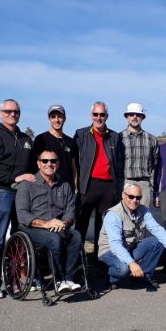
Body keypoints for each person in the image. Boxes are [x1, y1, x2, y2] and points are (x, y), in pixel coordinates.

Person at [0, 99, 35, 299]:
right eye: (8, 111)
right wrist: (15, 177)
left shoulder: (25, 138)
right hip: (2, 193)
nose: (12, 114)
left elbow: (32, 168)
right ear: (0, 113)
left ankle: (19, 279)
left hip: (23, 195)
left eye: (16, 111)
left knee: (21, 236)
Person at [15, 150, 82, 292]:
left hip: (58, 227)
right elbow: (22, 214)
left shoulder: (64, 185)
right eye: (45, 161)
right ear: (39, 164)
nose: (49, 164)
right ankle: (58, 279)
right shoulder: (27, 184)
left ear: (58, 164)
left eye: (53, 161)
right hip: (33, 228)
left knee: (76, 236)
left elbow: (70, 209)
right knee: (53, 239)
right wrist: (46, 224)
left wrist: (64, 223)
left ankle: (69, 279)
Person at [98, 183, 166, 291]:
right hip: (109, 252)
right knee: (123, 269)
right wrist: (131, 263)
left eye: (138, 197)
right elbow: (115, 245)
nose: (134, 200)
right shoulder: (113, 214)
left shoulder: (143, 210)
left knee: (158, 241)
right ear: (123, 195)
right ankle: (109, 276)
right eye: (131, 196)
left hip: (129, 248)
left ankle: (142, 277)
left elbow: (156, 228)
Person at [73, 101, 124, 257]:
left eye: (102, 115)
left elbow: (120, 164)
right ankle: (77, 258)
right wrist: (76, 183)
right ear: (91, 116)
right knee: (81, 223)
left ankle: (99, 258)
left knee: (102, 226)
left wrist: (118, 189)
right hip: (88, 185)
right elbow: (73, 160)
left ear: (107, 116)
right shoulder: (81, 134)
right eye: (96, 114)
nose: (99, 117)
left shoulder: (115, 137)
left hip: (108, 187)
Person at [120, 102, 159, 208]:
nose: (135, 117)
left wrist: (151, 186)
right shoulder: (119, 138)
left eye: (138, 115)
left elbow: (154, 166)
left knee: (143, 219)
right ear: (127, 117)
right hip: (126, 182)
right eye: (131, 114)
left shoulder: (152, 140)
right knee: (125, 218)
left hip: (144, 185)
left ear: (142, 117)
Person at [31, 104, 78, 189]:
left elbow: (74, 167)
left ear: (64, 119)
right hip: (46, 188)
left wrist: (75, 187)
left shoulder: (71, 142)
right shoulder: (41, 139)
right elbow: (36, 165)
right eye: (53, 117)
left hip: (67, 189)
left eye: (59, 116)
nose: (56, 120)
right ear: (49, 119)